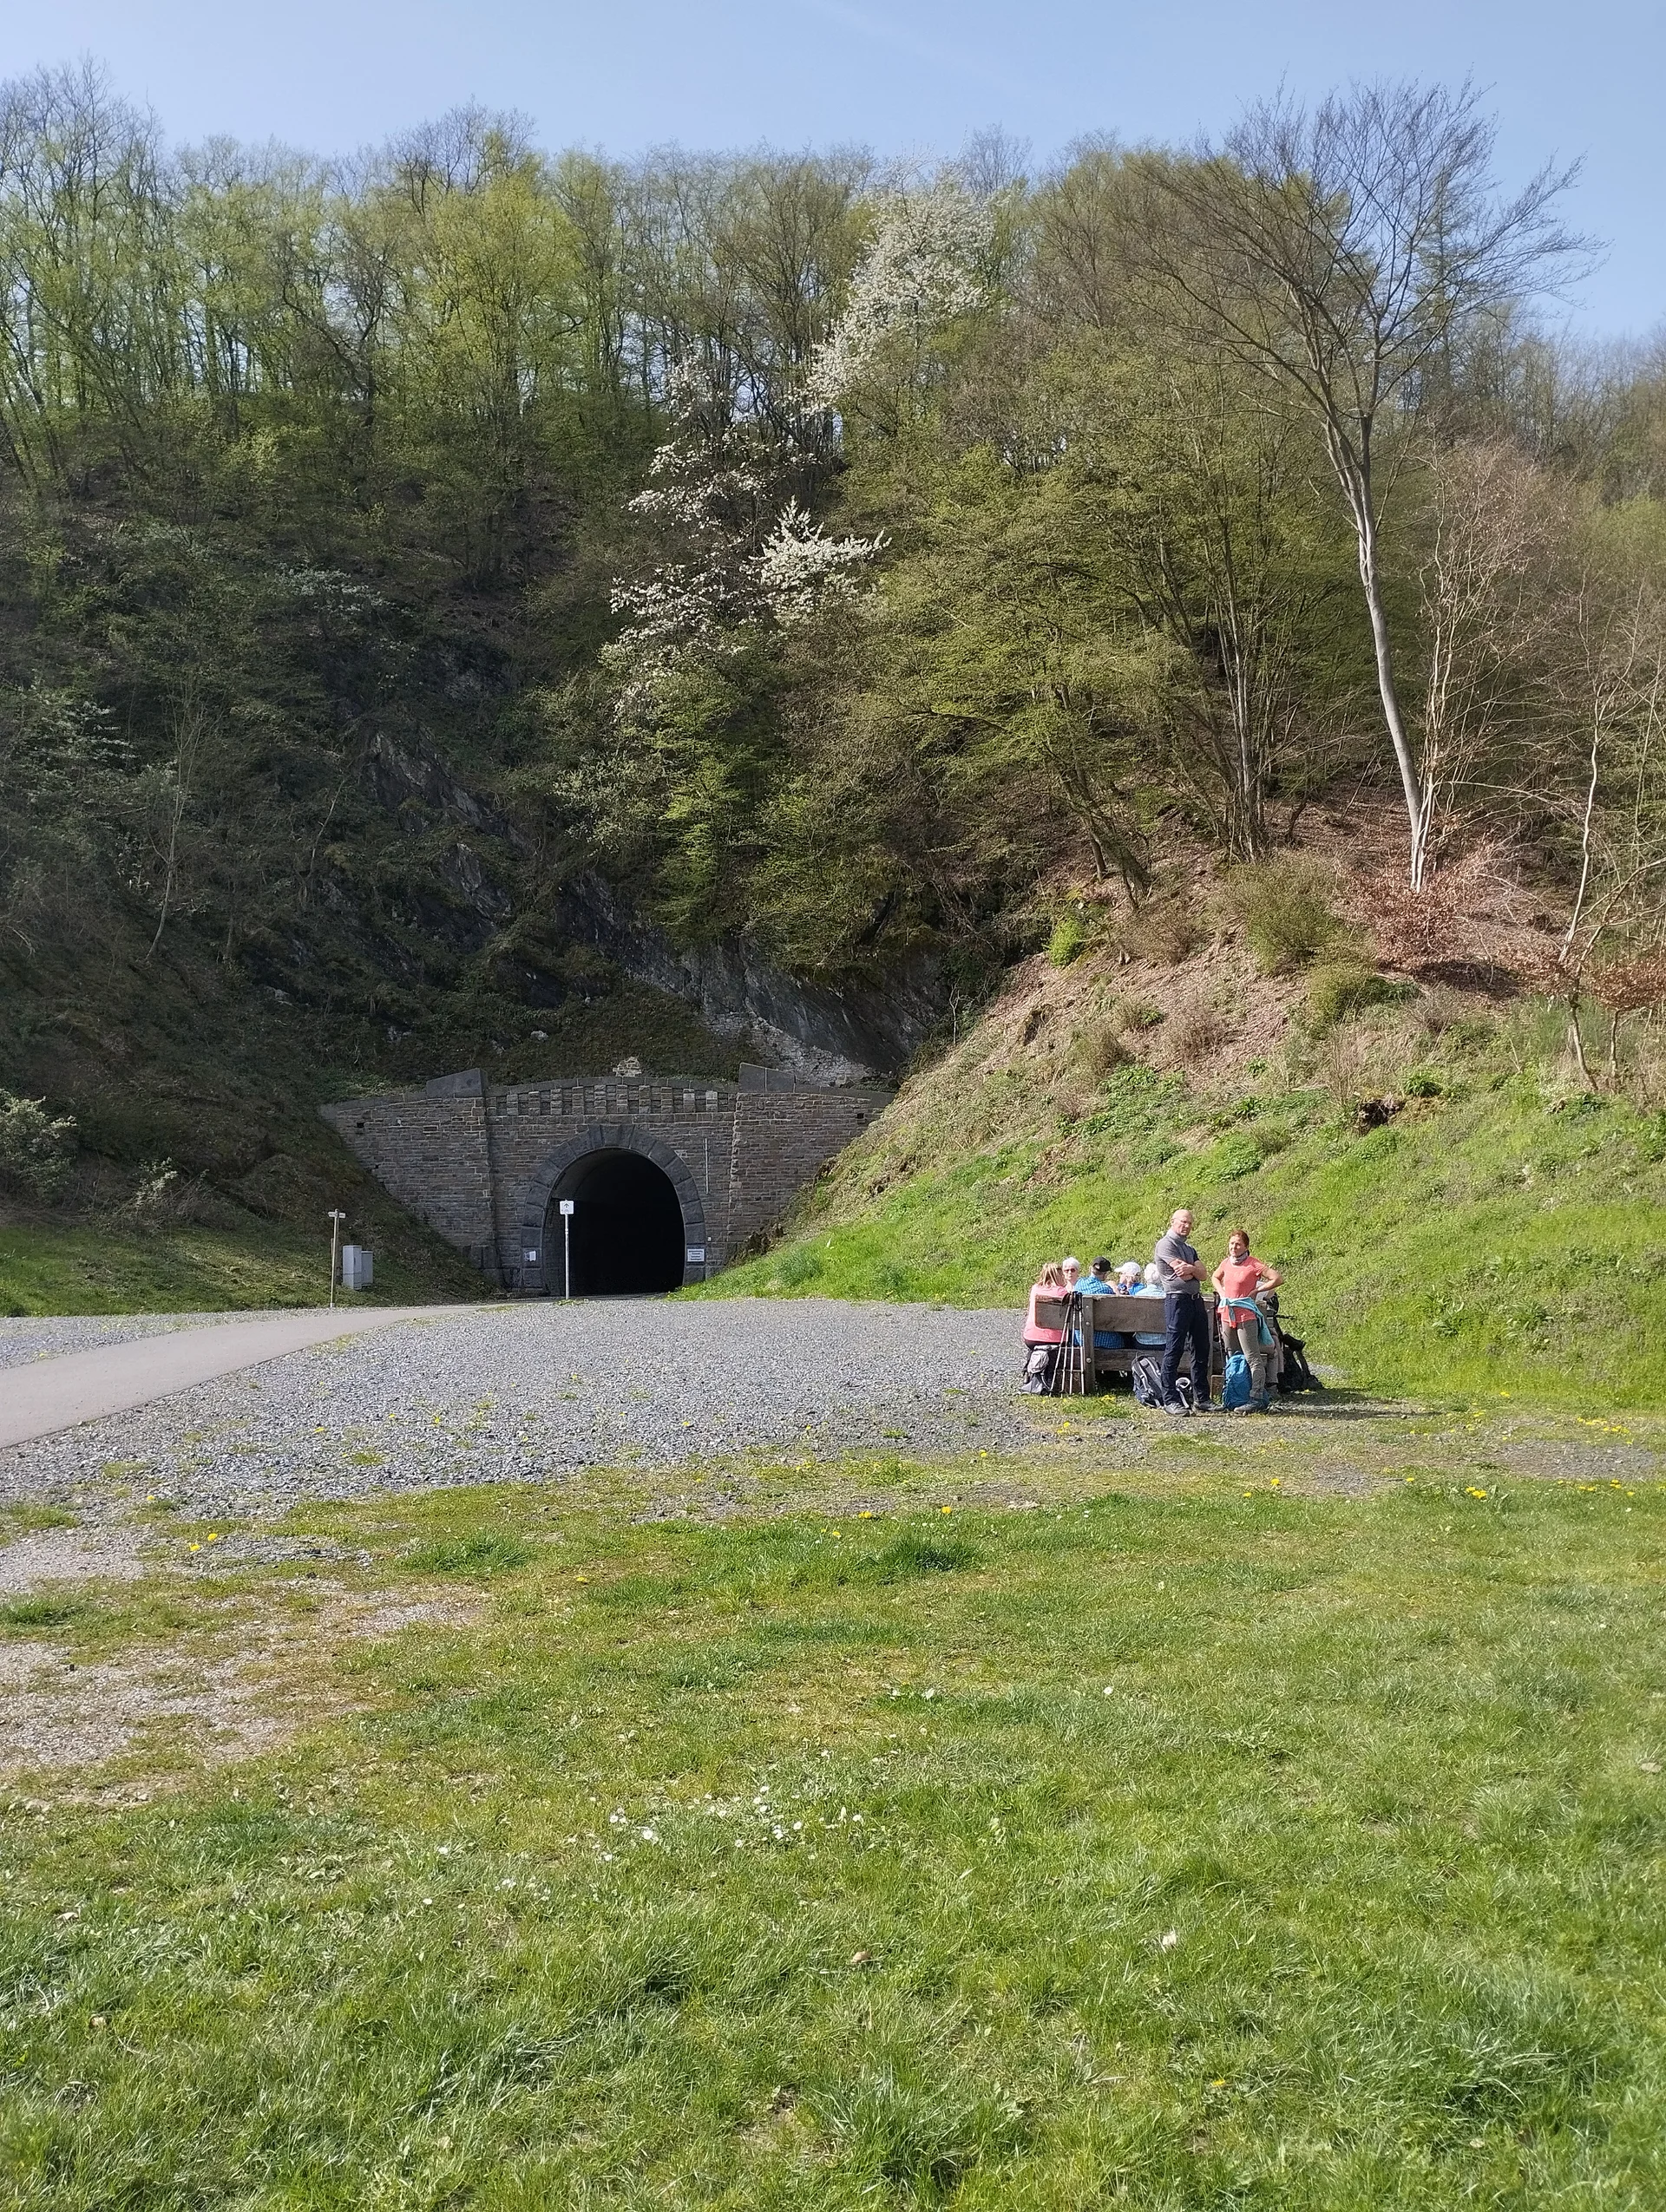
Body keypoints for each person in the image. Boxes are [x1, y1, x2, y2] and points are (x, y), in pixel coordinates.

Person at [1211, 1228, 1283, 1412]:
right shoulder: (1226, 1263)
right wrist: (1221, 1292)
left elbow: (1277, 1278)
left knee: (1252, 1357)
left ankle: (1256, 1396)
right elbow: (1215, 1276)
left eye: (1238, 1244)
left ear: (1246, 1247)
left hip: (1246, 1315)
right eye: (1231, 1244)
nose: (1234, 1248)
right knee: (1232, 1355)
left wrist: (1257, 1291)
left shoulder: (1253, 1264)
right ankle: (1235, 1395)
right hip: (1228, 1315)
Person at [1153, 1206, 1212, 1414]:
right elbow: (1183, 1275)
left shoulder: (1190, 1249)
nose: (1187, 1226)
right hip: (1177, 1300)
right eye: (1183, 1222)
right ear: (1173, 1221)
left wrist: (1193, 1269)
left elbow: (1203, 1275)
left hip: (1195, 1300)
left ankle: (1202, 1398)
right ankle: (1169, 1398)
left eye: (1190, 1223)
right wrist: (1193, 1270)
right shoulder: (1165, 1245)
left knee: (1201, 1347)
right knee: (1175, 1348)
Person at [1022, 1262, 1068, 1391]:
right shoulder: (1062, 1292)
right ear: (1058, 1276)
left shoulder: (1035, 1288)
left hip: (1031, 1337)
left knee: (1034, 1346)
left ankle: (1029, 1371)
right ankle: (1050, 1378)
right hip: (1055, 1339)